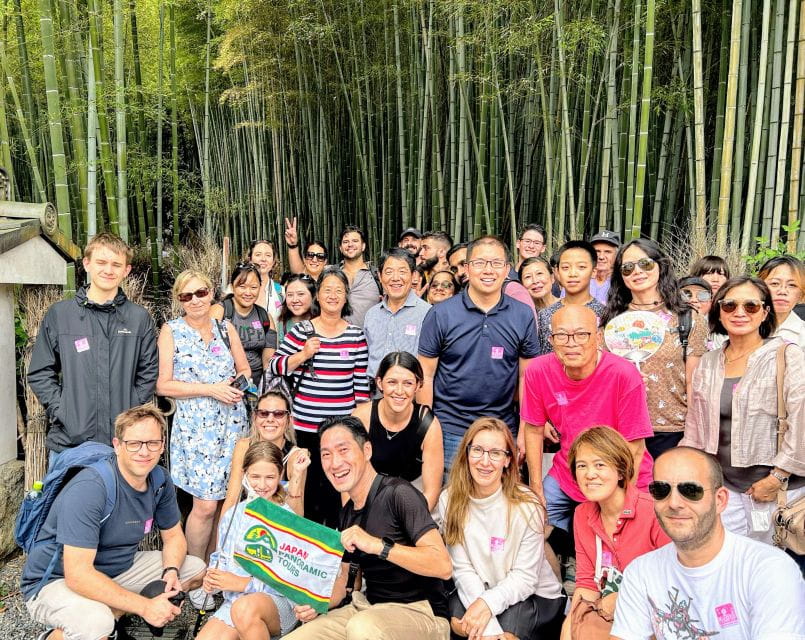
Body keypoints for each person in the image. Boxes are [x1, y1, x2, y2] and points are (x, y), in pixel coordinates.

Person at [22, 405, 206, 640]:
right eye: (134, 443)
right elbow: (77, 574)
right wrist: (145, 606)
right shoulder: (91, 488)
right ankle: (57, 635)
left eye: (152, 443)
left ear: (162, 446)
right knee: (96, 623)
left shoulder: (160, 479)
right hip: (56, 580)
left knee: (194, 570)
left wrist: (171, 570)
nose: (144, 451)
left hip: (115, 569)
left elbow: (173, 537)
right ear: (118, 446)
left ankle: (112, 615)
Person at [284, 416, 452, 640]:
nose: (335, 463)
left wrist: (376, 545)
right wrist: (317, 602)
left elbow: (442, 565)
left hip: (422, 612)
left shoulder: (398, 494)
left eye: (343, 450)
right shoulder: (347, 513)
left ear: (367, 450)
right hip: (368, 608)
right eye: (326, 454)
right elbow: (347, 580)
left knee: (363, 628)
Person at [610, 447, 805, 639]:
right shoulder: (640, 572)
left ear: (720, 500)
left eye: (690, 490)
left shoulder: (769, 569)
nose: (674, 503)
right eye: (661, 490)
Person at [681, 276, 805, 560]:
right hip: (725, 487)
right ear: (719, 312)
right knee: (728, 563)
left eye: (751, 306)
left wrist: (778, 477)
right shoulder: (710, 362)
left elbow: (801, 422)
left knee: (771, 568)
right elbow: (696, 425)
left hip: (776, 490)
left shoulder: (786, 356)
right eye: (730, 305)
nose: (739, 312)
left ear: (765, 312)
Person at [521, 305, 654, 538]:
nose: (571, 343)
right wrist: (536, 488)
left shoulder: (623, 374)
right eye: (561, 335)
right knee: (531, 522)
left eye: (582, 334)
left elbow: (635, 448)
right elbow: (533, 429)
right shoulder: (538, 371)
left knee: (622, 536)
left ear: (599, 336)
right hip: (568, 470)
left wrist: (622, 499)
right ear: (551, 340)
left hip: (623, 474)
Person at [28, 232, 158, 461]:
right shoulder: (61, 315)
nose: (109, 270)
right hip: (70, 443)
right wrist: (64, 410)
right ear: (86, 263)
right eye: (101, 262)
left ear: (126, 270)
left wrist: (130, 407)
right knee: (69, 497)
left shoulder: (139, 319)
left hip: (122, 442)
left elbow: (148, 373)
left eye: (116, 264)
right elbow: (40, 372)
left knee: (119, 497)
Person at [156, 270, 250, 573]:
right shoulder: (171, 331)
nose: (195, 300)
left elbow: (246, 371)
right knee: (205, 505)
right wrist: (211, 389)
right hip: (197, 429)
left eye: (200, 293)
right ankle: (193, 574)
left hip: (233, 425)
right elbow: (164, 385)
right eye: (186, 295)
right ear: (179, 300)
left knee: (227, 503)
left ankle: (214, 571)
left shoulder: (226, 328)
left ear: (211, 293)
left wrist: (237, 385)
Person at [438, 418, 566, 640]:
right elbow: (462, 569)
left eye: (496, 453)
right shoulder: (449, 499)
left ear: (508, 459)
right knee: (459, 621)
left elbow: (525, 578)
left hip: (534, 594)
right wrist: (485, 619)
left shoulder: (527, 505)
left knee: (506, 626)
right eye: (477, 450)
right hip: (479, 586)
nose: (485, 461)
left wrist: (488, 605)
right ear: (466, 453)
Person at [418, 235, 540, 469]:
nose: (488, 270)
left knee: (499, 502)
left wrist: (525, 430)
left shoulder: (522, 314)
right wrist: (427, 429)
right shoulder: (441, 314)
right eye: (480, 262)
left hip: (501, 427)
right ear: (467, 268)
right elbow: (426, 375)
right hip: (450, 428)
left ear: (507, 270)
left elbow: (527, 377)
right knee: (452, 500)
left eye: (496, 263)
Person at [269, 266, 370, 526]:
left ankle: (338, 558)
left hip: (342, 432)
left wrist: (359, 427)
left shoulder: (355, 335)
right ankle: (308, 553)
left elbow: (360, 387)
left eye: (339, 290)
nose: (333, 295)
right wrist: (302, 355)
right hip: (307, 430)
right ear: (318, 296)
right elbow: (275, 366)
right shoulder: (302, 331)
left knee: (339, 495)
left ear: (346, 297)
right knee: (308, 494)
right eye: (327, 290)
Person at [601, 238, 708, 459]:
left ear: (661, 266)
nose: (637, 272)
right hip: (621, 429)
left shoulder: (687, 318)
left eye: (645, 264)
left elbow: (694, 383)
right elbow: (601, 377)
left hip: (672, 430)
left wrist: (693, 434)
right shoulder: (612, 321)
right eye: (628, 268)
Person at [561, 427, 670, 640]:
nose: (590, 474)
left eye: (599, 464)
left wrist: (621, 598)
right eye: (581, 466)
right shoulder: (582, 514)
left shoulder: (653, 512)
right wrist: (569, 628)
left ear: (620, 471)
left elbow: (675, 581)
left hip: (657, 617)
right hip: (607, 618)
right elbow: (586, 582)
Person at [196, 441, 310, 640]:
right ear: (244, 474)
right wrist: (212, 579)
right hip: (235, 601)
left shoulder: (287, 517)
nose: (262, 485)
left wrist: (243, 583)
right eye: (255, 476)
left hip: (277, 601)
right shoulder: (233, 515)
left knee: (245, 609)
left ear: (280, 475)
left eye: (270, 477)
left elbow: (292, 577)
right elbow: (220, 557)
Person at [352, 352, 443, 510]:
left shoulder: (428, 424)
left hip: (412, 495)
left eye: (408, 383)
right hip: (368, 494)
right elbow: (350, 476)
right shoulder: (361, 418)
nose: (399, 391)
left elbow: (431, 491)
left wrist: (410, 526)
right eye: (392, 382)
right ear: (380, 383)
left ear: (418, 385)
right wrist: (354, 516)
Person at [220, 391, 310, 519]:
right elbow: (232, 499)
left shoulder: (295, 456)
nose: (270, 419)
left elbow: (297, 517)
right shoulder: (244, 446)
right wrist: (223, 536)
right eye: (263, 413)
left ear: (289, 420)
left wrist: (297, 474)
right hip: (245, 521)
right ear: (255, 417)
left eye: (278, 414)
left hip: (278, 526)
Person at [363, 248, 431, 380]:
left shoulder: (427, 314)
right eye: (388, 272)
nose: (395, 278)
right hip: (374, 392)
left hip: (409, 393)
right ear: (380, 276)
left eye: (402, 272)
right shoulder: (372, 314)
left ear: (413, 276)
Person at [212, 262, 277, 388]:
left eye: (253, 287)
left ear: (260, 287)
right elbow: (211, 350)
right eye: (242, 287)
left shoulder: (264, 316)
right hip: (227, 380)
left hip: (257, 380)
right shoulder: (219, 311)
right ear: (232, 287)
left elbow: (268, 356)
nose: (248, 293)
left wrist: (267, 384)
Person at [537, 240, 605, 355]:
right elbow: (542, 357)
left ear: (593, 272)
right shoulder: (545, 315)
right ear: (557, 272)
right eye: (565, 267)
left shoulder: (605, 314)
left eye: (581, 267)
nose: (573, 273)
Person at [336, 225, 383, 326]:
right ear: (340, 248)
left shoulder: (377, 275)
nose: (350, 244)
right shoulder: (332, 275)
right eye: (345, 242)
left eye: (355, 241)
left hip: (370, 339)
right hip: (337, 339)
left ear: (363, 246)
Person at [758, 255, 805, 349]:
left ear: (801, 294)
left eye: (792, 285)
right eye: (774, 283)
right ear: (759, 287)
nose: (782, 291)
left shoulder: (802, 335)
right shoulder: (742, 323)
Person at [247, 239, 284, 327]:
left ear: (274, 261)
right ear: (250, 259)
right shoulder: (234, 290)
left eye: (268, 255)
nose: (263, 259)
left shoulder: (281, 292)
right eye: (258, 255)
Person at [284, 217, 329, 281]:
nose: (314, 260)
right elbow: (298, 272)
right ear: (304, 259)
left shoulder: (332, 278)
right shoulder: (301, 280)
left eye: (320, 256)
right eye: (310, 255)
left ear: (325, 261)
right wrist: (292, 245)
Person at [277, 273, 316, 345]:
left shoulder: (323, 322)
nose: (294, 300)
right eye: (290, 295)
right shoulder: (282, 323)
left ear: (313, 296)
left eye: (301, 294)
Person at [589, 229, 620, 304]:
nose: (601, 257)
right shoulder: (579, 280)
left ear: (617, 255)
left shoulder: (622, 283)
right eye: (597, 251)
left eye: (607, 252)